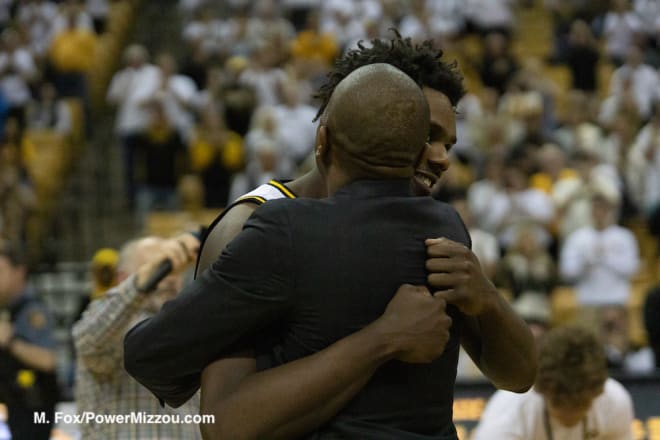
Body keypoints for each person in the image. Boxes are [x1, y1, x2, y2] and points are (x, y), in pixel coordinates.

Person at [125, 63, 536, 439]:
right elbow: (223, 419)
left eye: (448, 142)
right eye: (428, 135)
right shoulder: (253, 224)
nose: (441, 157)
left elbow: (519, 375)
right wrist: (381, 340)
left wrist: (489, 300)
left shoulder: (437, 229)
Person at [72, 234, 203, 440]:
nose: (169, 277)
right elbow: (87, 340)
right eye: (162, 268)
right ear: (123, 278)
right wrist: (141, 285)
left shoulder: (194, 326)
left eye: (175, 269)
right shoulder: (112, 323)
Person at [472, 325, 634, 439]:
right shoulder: (508, 414)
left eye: (580, 405)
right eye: (560, 405)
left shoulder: (615, 401)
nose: (570, 415)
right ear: (541, 389)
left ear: (596, 393)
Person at [0, 241, 58, 440]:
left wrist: (11, 342)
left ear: (19, 272)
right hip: (14, 403)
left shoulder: (32, 311)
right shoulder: (8, 308)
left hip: (34, 405)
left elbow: (49, 360)